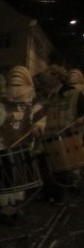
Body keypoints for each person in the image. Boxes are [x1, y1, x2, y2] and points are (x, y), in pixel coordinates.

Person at [0, 66, 46, 224]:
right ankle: (5, 207)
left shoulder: (35, 106)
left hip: (23, 149)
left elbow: (40, 121)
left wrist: (38, 128)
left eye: (19, 84)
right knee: (2, 178)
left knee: (20, 180)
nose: (16, 88)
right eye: (13, 84)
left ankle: (16, 206)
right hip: (2, 147)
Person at [37, 65, 84, 204]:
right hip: (52, 138)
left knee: (65, 171)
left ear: (58, 77)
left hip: (69, 138)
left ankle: (62, 198)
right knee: (50, 168)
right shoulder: (50, 96)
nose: (45, 81)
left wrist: (82, 119)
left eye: (49, 76)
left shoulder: (75, 94)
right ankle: (51, 195)